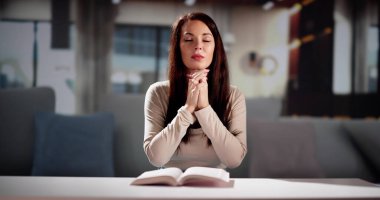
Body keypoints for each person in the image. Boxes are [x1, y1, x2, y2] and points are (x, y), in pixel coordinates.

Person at [143, 12, 247, 170]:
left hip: (214, 187)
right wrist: (188, 109)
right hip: (169, 186)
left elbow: (234, 160)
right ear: (178, 47)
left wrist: (204, 109)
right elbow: (157, 158)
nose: (198, 46)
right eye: (189, 39)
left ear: (215, 48)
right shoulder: (157, 92)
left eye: (206, 39)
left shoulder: (233, 95)